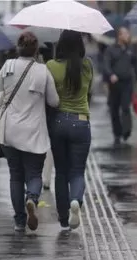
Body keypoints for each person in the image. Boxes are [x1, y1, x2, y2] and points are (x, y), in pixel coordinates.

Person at [0, 32, 59, 232]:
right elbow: (53, 101)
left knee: (15, 175)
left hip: (10, 131)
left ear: (18, 48)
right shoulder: (42, 70)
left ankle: (19, 220)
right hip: (34, 133)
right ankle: (31, 198)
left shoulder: (7, 67)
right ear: (36, 50)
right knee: (34, 174)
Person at [46, 30, 93, 230]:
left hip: (58, 123)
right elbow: (88, 92)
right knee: (77, 171)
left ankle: (64, 217)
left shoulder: (51, 66)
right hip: (81, 122)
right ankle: (76, 200)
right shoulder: (87, 66)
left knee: (61, 172)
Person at [103, 26, 137, 145]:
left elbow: (136, 64)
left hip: (127, 82)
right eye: (125, 34)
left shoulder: (131, 49)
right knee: (114, 108)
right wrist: (111, 75)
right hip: (115, 83)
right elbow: (106, 64)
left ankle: (126, 130)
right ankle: (117, 133)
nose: (127, 36)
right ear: (119, 36)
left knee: (126, 107)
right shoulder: (111, 49)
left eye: (128, 34)